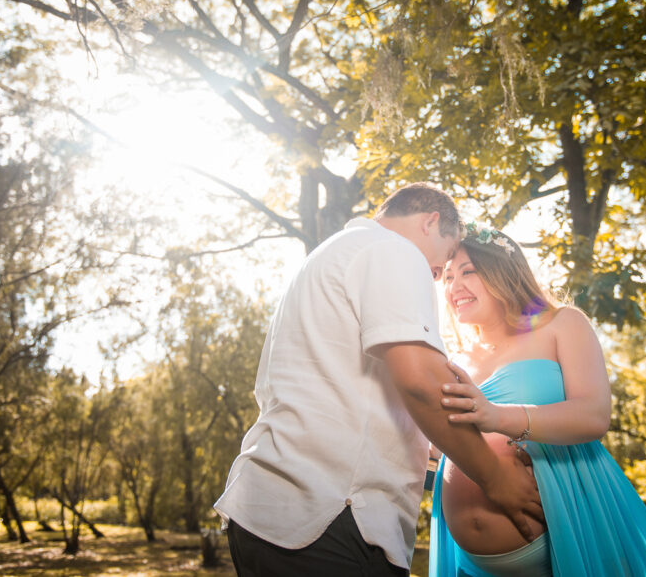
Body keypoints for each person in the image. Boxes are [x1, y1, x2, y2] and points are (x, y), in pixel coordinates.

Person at [214, 184, 543, 577]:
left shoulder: (337, 254)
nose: (438, 278)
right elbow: (421, 381)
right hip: (325, 518)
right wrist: (496, 477)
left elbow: (355, 399)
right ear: (431, 222)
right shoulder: (393, 250)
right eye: (441, 265)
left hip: (272, 513)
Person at [429, 223, 646, 576]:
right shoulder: (455, 357)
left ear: (502, 270)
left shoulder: (561, 325)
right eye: (446, 277)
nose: (453, 286)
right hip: (468, 560)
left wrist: (498, 416)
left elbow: (594, 415)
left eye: (467, 271)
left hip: (565, 531)